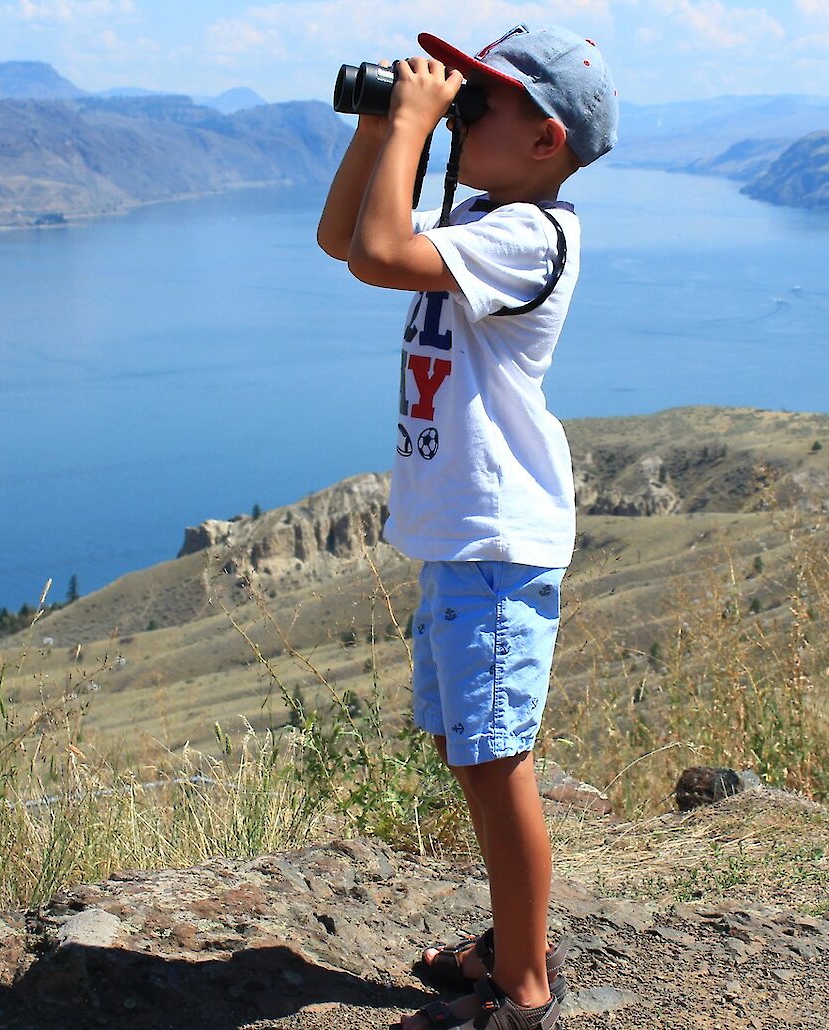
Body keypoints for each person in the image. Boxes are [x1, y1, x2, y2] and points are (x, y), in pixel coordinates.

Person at [315, 22, 616, 1030]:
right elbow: (345, 240)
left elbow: (381, 247)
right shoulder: (490, 214)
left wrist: (409, 122)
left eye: (483, 101)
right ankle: (512, 941)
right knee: (468, 750)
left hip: (496, 544)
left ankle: (523, 987)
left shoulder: (535, 234)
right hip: (462, 541)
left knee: (497, 759)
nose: (461, 109)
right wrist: (378, 132)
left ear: (547, 139)